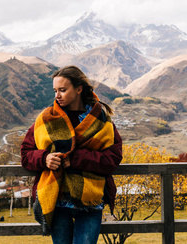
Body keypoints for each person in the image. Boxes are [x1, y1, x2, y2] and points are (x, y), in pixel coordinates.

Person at [21, 65, 123, 244]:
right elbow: (26, 154)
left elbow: (112, 159)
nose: (57, 95)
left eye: (62, 90)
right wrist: (44, 158)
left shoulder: (101, 120)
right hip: (57, 201)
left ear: (78, 89)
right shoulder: (46, 119)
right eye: (55, 90)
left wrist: (75, 159)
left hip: (91, 203)